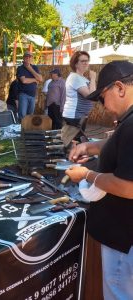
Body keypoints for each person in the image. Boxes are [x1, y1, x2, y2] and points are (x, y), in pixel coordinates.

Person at [65, 60, 133, 300]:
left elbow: (128, 187)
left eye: (103, 98)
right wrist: (90, 146)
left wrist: (86, 175)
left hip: (124, 237)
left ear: (120, 88)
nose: (103, 107)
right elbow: (121, 144)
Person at [61, 51, 96, 147]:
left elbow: (94, 94)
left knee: (76, 143)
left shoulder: (82, 78)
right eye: (83, 61)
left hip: (80, 115)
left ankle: (73, 159)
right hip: (74, 115)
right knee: (73, 143)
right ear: (76, 64)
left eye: (87, 61)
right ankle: (69, 160)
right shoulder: (75, 77)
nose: (86, 63)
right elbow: (91, 95)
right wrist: (93, 79)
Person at [16, 51, 43, 121]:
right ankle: (21, 129)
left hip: (32, 96)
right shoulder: (20, 68)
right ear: (23, 58)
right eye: (26, 57)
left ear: (32, 58)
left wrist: (30, 68)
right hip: (23, 95)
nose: (28, 58)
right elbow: (24, 81)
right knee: (22, 115)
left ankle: (28, 131)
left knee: (30, 115)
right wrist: (34, 80)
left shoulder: (35, 67)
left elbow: (40, 79)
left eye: (30, 57)